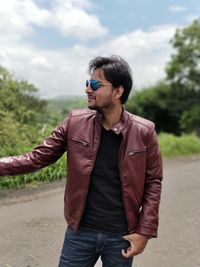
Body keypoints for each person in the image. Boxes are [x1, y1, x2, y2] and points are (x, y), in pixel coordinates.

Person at [0, 55, 163, 267]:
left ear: (118, 91)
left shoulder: (144, 131)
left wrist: (145, 232)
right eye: (88, 83)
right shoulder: (74, 122)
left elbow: (153, 182)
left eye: (95, 84)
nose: (88, 89)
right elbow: (36, 158)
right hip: (80, 233)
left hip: (121, 236)